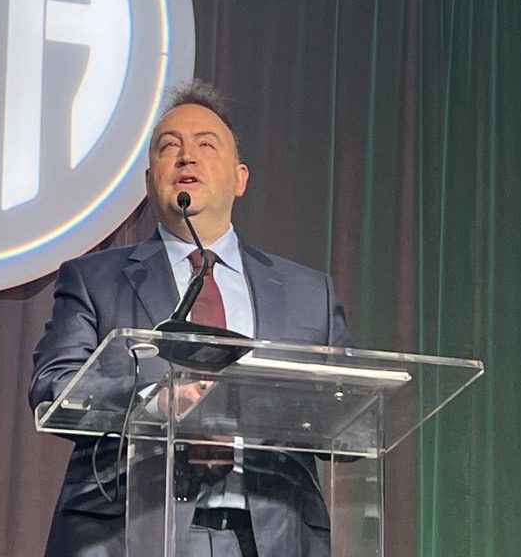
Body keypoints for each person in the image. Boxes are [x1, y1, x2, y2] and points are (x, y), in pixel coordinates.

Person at [29, 80, 352, 557]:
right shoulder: (94, 280)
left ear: (240, 178)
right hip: (130, 533)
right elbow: (54, 385)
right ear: (148, 182)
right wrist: (154, 403)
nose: (186, 158)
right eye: (169, 148)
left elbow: (346, 419)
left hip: (274, 537)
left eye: (206, 145)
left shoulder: (310, 294)